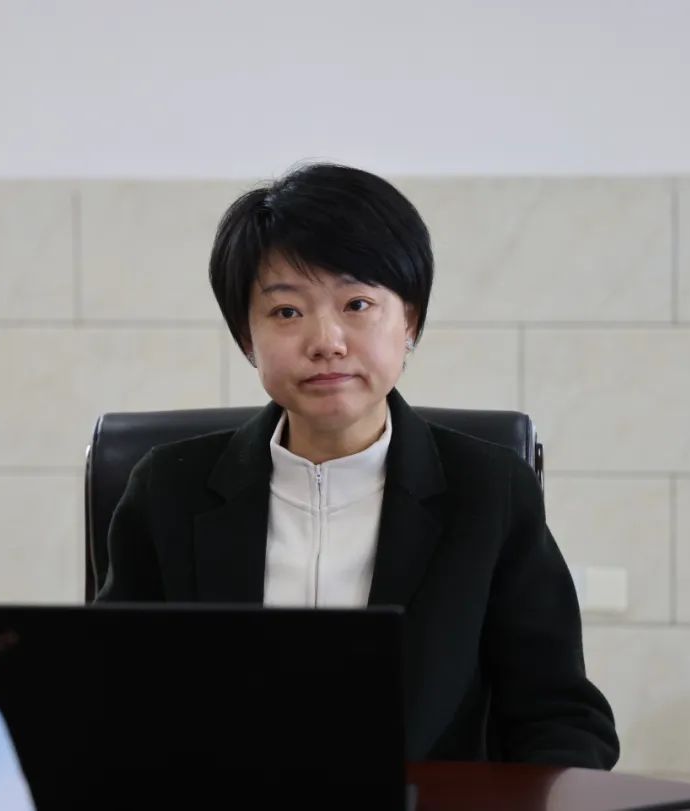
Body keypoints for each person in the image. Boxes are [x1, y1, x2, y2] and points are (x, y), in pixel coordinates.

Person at [96, 161, 620, 768]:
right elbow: (108, 695)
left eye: (357, 303)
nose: (327, 341)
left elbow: (560, 719)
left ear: (409, 321)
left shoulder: (490, 492)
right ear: (246, 337)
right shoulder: (168, 489)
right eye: (286, 311)